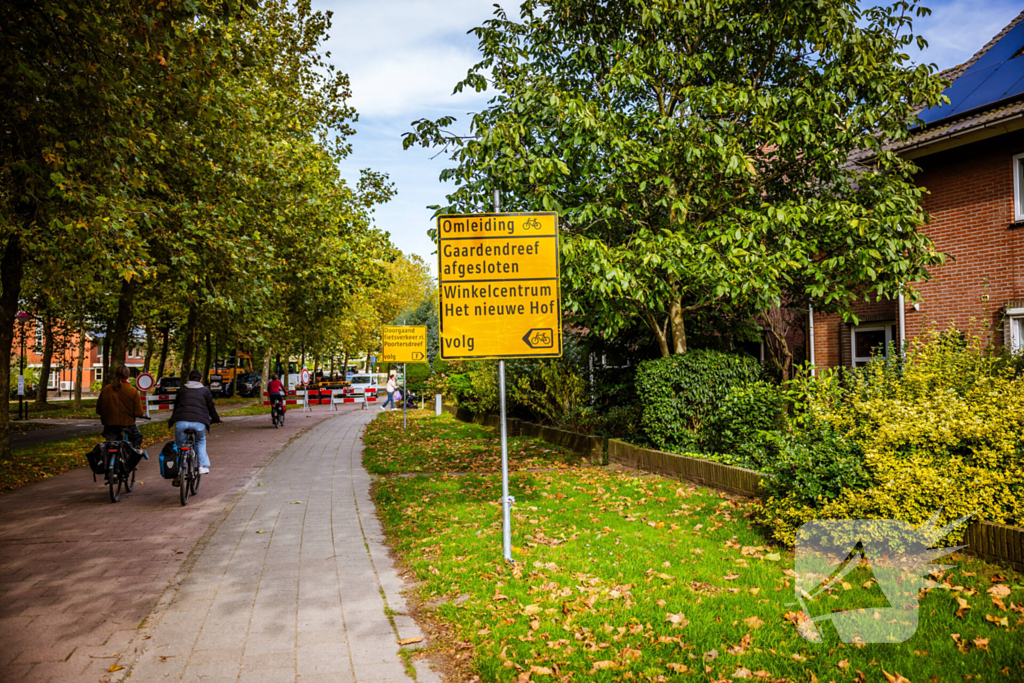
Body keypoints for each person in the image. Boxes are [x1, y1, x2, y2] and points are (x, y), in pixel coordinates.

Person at [169, 369, 220, 478]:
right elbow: (211, 407)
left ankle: (177, 473)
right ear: (201, 379)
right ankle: (202, 466)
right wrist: (216, 419)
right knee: (200, 441)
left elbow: (176, 406)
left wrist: (172, 420)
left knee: (179, 446)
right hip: (199, 423)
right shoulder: (205, 391)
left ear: (189, 379)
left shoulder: (182, 390)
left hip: (181, 422)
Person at [96, 365, 146, 452]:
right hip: (127, 424)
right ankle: (130, 457)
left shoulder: (106, 389)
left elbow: (98, 410)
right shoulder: (132, 390)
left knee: (111, 442)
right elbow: (138, 412)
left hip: (109, 425)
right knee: (137, 438)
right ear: (128, 375)